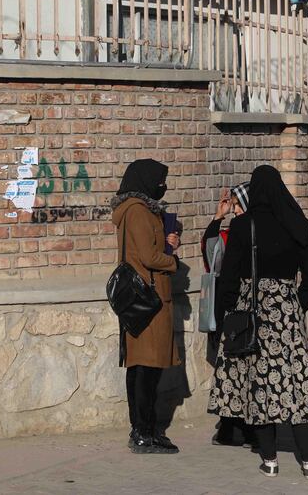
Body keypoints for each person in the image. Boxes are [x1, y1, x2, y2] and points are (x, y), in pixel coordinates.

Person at [207, 165, 308, 480]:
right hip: (286, 313)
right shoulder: (296, 224)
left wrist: (229, 313)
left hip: (254, 310)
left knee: (260, 383)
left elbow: (230, 276)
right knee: (295, 382)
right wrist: (296, 304)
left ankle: (270, 460)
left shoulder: (244, 225)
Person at [110, 159, 181, 455]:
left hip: (144, 298)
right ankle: (143, 432)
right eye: (160, 180)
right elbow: (149, 257)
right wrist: (172, 258)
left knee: (142, 367)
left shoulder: (137, 210)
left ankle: (145, 430)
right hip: (148, 300)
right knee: (145, 369)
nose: (162, 186)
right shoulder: (138, 212)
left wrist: (167, 241)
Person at [200, 183, 253, 448]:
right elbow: (211, 257)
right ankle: (231, 428)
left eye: (236, 204)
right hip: (230, 310)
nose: (234, 209)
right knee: (231, 371)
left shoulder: (253, 232)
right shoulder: (232, 232)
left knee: (239, 371)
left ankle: (241, 428)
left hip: (242, 311)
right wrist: (217, 218)